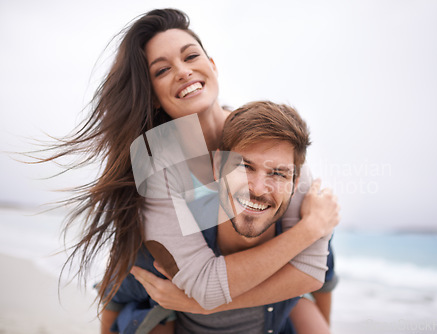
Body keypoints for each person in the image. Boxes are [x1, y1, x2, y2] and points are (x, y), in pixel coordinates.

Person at [32, 7, 339, 333]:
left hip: (260, 309)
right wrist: (310, 229)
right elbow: (169, 282)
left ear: (213, 66)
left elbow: (316, 269)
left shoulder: (268, 137)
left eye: (191, 56)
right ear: (151, 96)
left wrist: (313, 229)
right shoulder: (156, 163)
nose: (182, 71)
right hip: (174, 308)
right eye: (162, 70)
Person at [123, 101, 337, 333]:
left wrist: (201, 305)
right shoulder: (178, 236)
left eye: (277, 173)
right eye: (244, 166)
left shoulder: (308, 225)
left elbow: (323, 283)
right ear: (217, 167)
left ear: (295, 183)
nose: (258, 188)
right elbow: (116, 296)